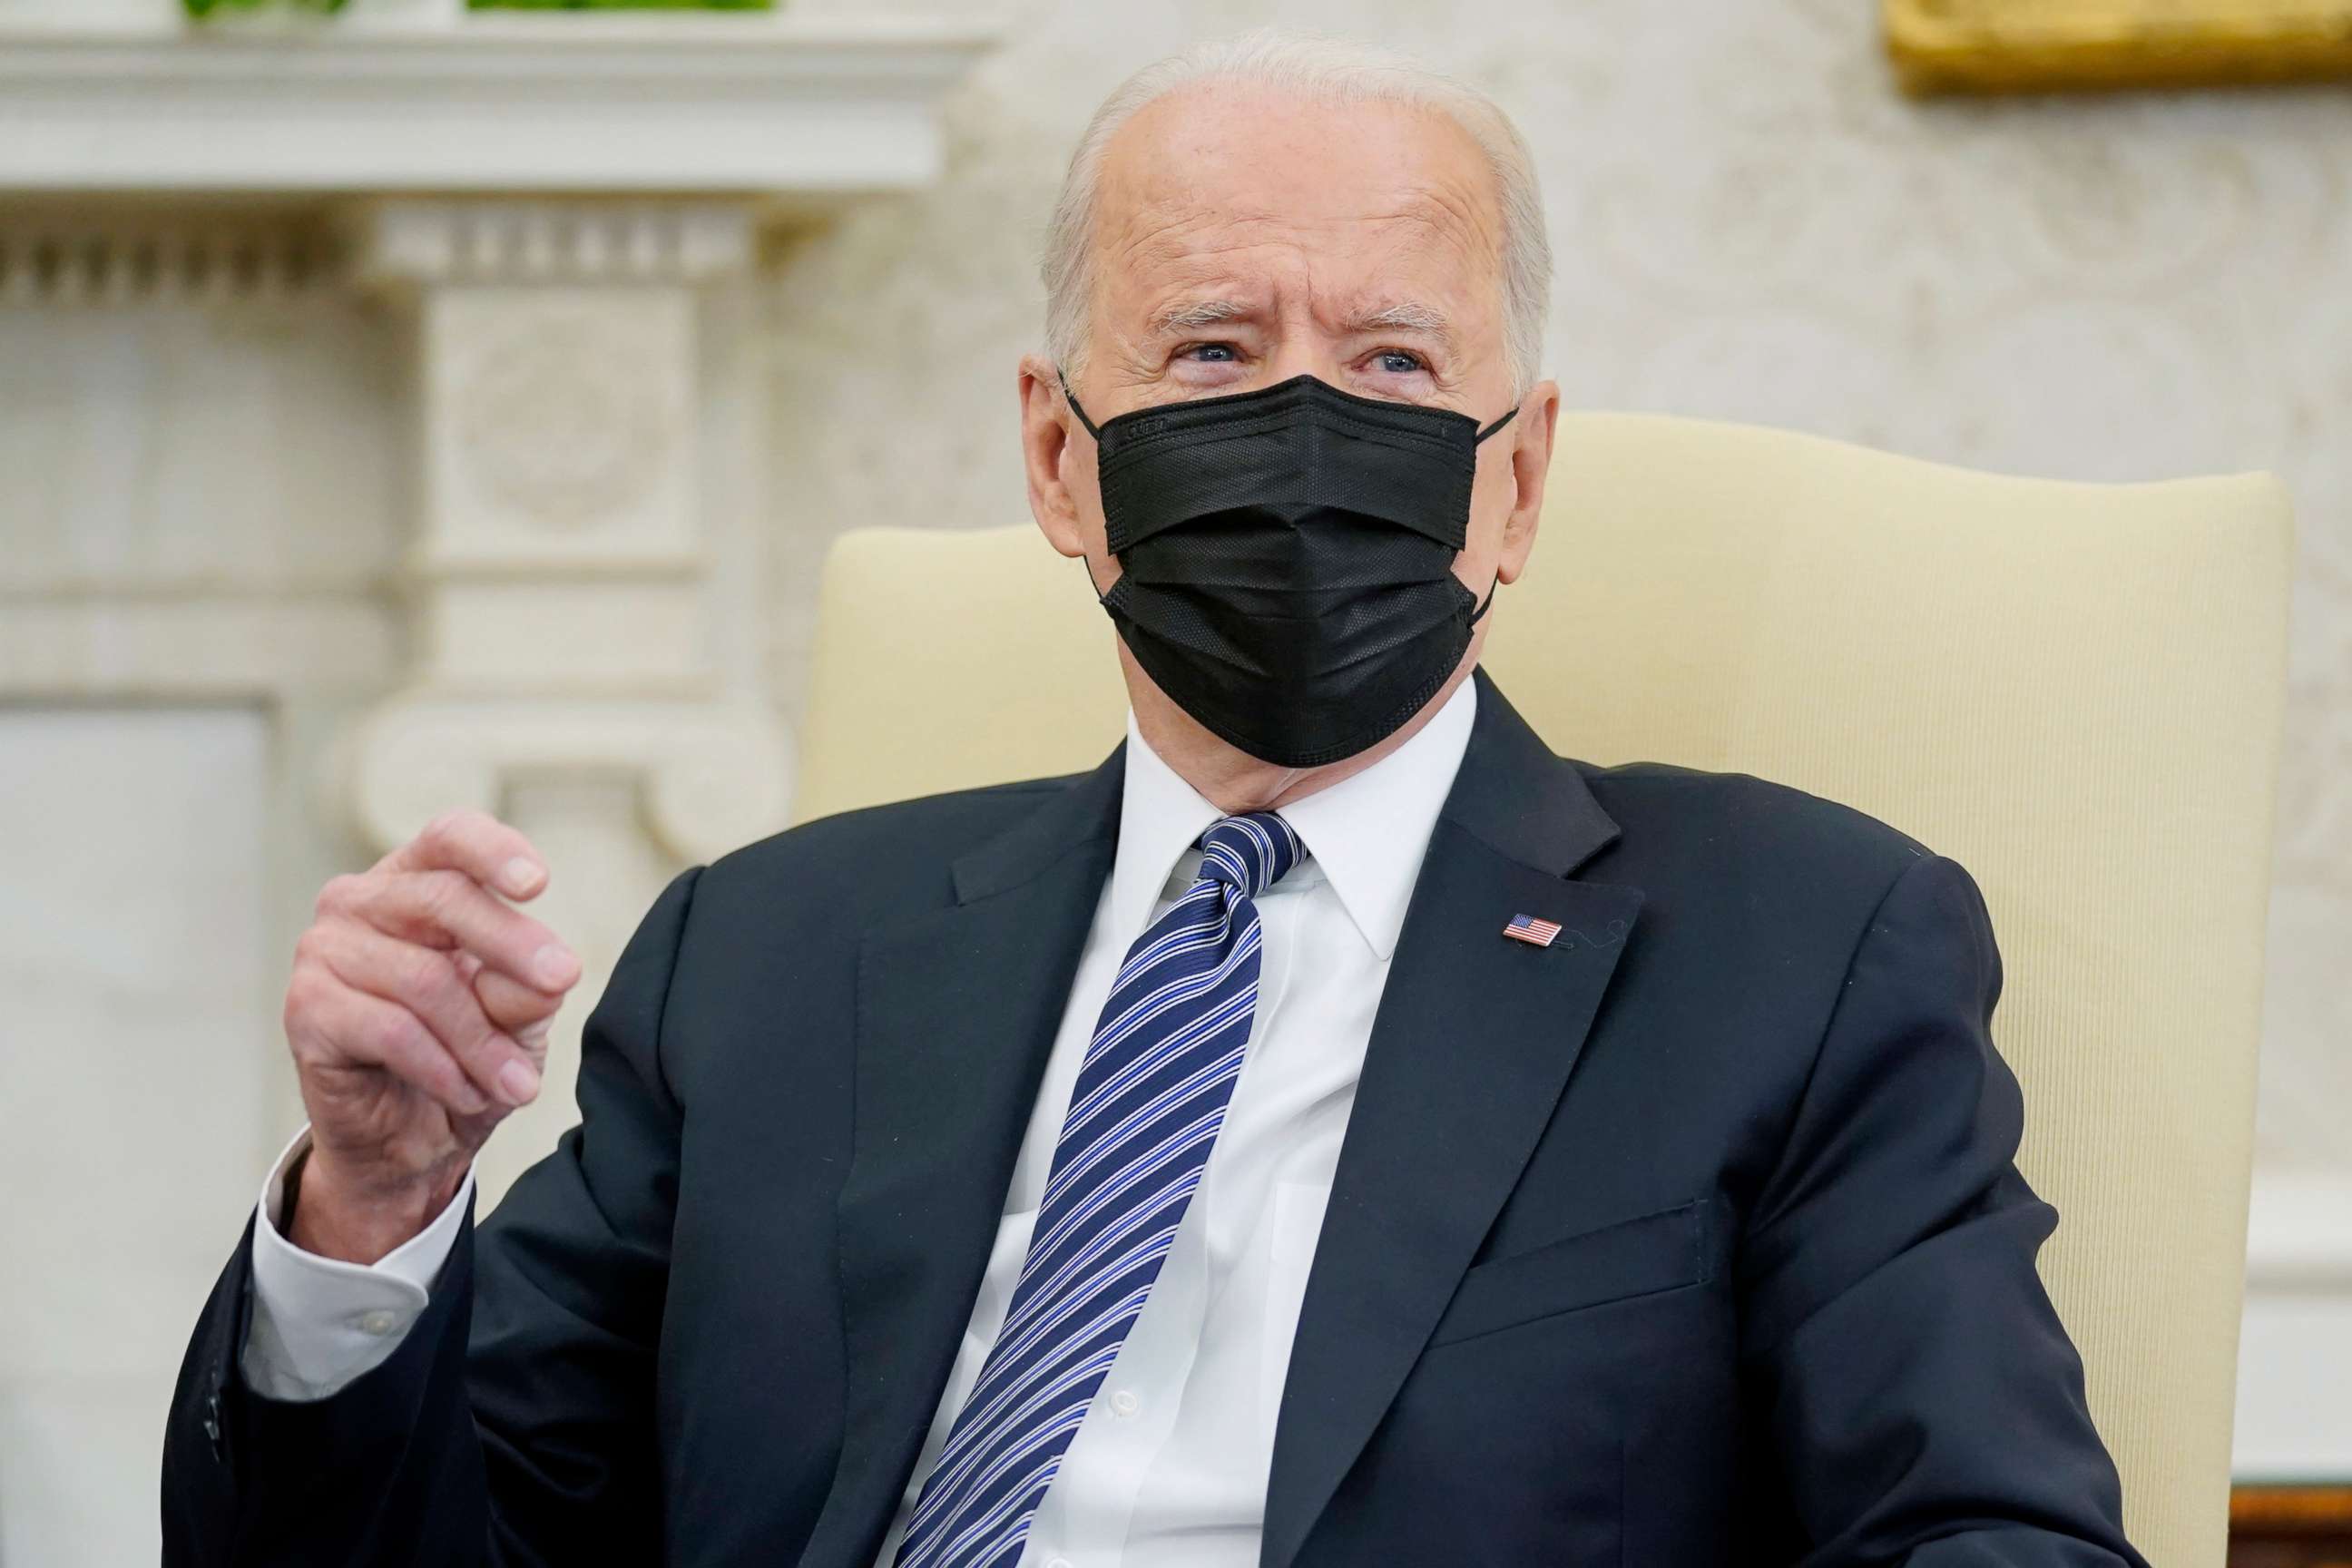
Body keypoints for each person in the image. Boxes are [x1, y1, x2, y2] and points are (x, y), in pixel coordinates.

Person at [162, 29, 2146, 1568]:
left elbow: (1986, 1530)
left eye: (1390, 361)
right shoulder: (769, 957)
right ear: (1058, 456)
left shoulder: (1796, 947)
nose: (1303, 430)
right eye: (1210, 350)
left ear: (1516, 478)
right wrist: (374, 1218)